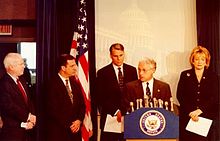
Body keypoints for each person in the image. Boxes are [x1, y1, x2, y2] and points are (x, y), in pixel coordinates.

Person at [96, 43, 138, 141]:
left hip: (128, 117)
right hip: (110, 118)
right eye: (115, 56)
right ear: (110, 55)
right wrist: (116, 111)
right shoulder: (103, 73)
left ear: (124, 54)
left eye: (121, 55)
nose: (119, 59)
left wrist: (126, 111)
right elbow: (100, 97)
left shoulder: (132, 70)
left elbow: (134, 94)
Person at [177, 46, 219, 141]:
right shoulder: (185, 75)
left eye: (202, 59)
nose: (199, 62)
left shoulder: (213, 76)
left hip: (206, 118)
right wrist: (191, 112)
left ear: (206, 61)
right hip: (188, 117)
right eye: (197, 59)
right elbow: (180, 95)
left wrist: (200, 111)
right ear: (192, 61)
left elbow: (215, 98)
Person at [45, 54, 85, 141]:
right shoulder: (51, 84)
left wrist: (79, 121)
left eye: (75, 65)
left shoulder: (75, 83)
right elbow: (53, 110)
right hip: (59, 132)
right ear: (63, 68)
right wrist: (70, 125)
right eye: (72, 66)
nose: (75, 68)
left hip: (75, 132)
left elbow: (82, 105)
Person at [0, 53, 36, 141]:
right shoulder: (3, 84)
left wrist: (32, 117)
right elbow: (9, 107)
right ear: (11, 67)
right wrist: (28, 117)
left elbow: (28, 101)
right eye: (21, 64)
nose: (24, 66)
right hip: (12, 132)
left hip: (26, 130)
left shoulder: (22, 80)